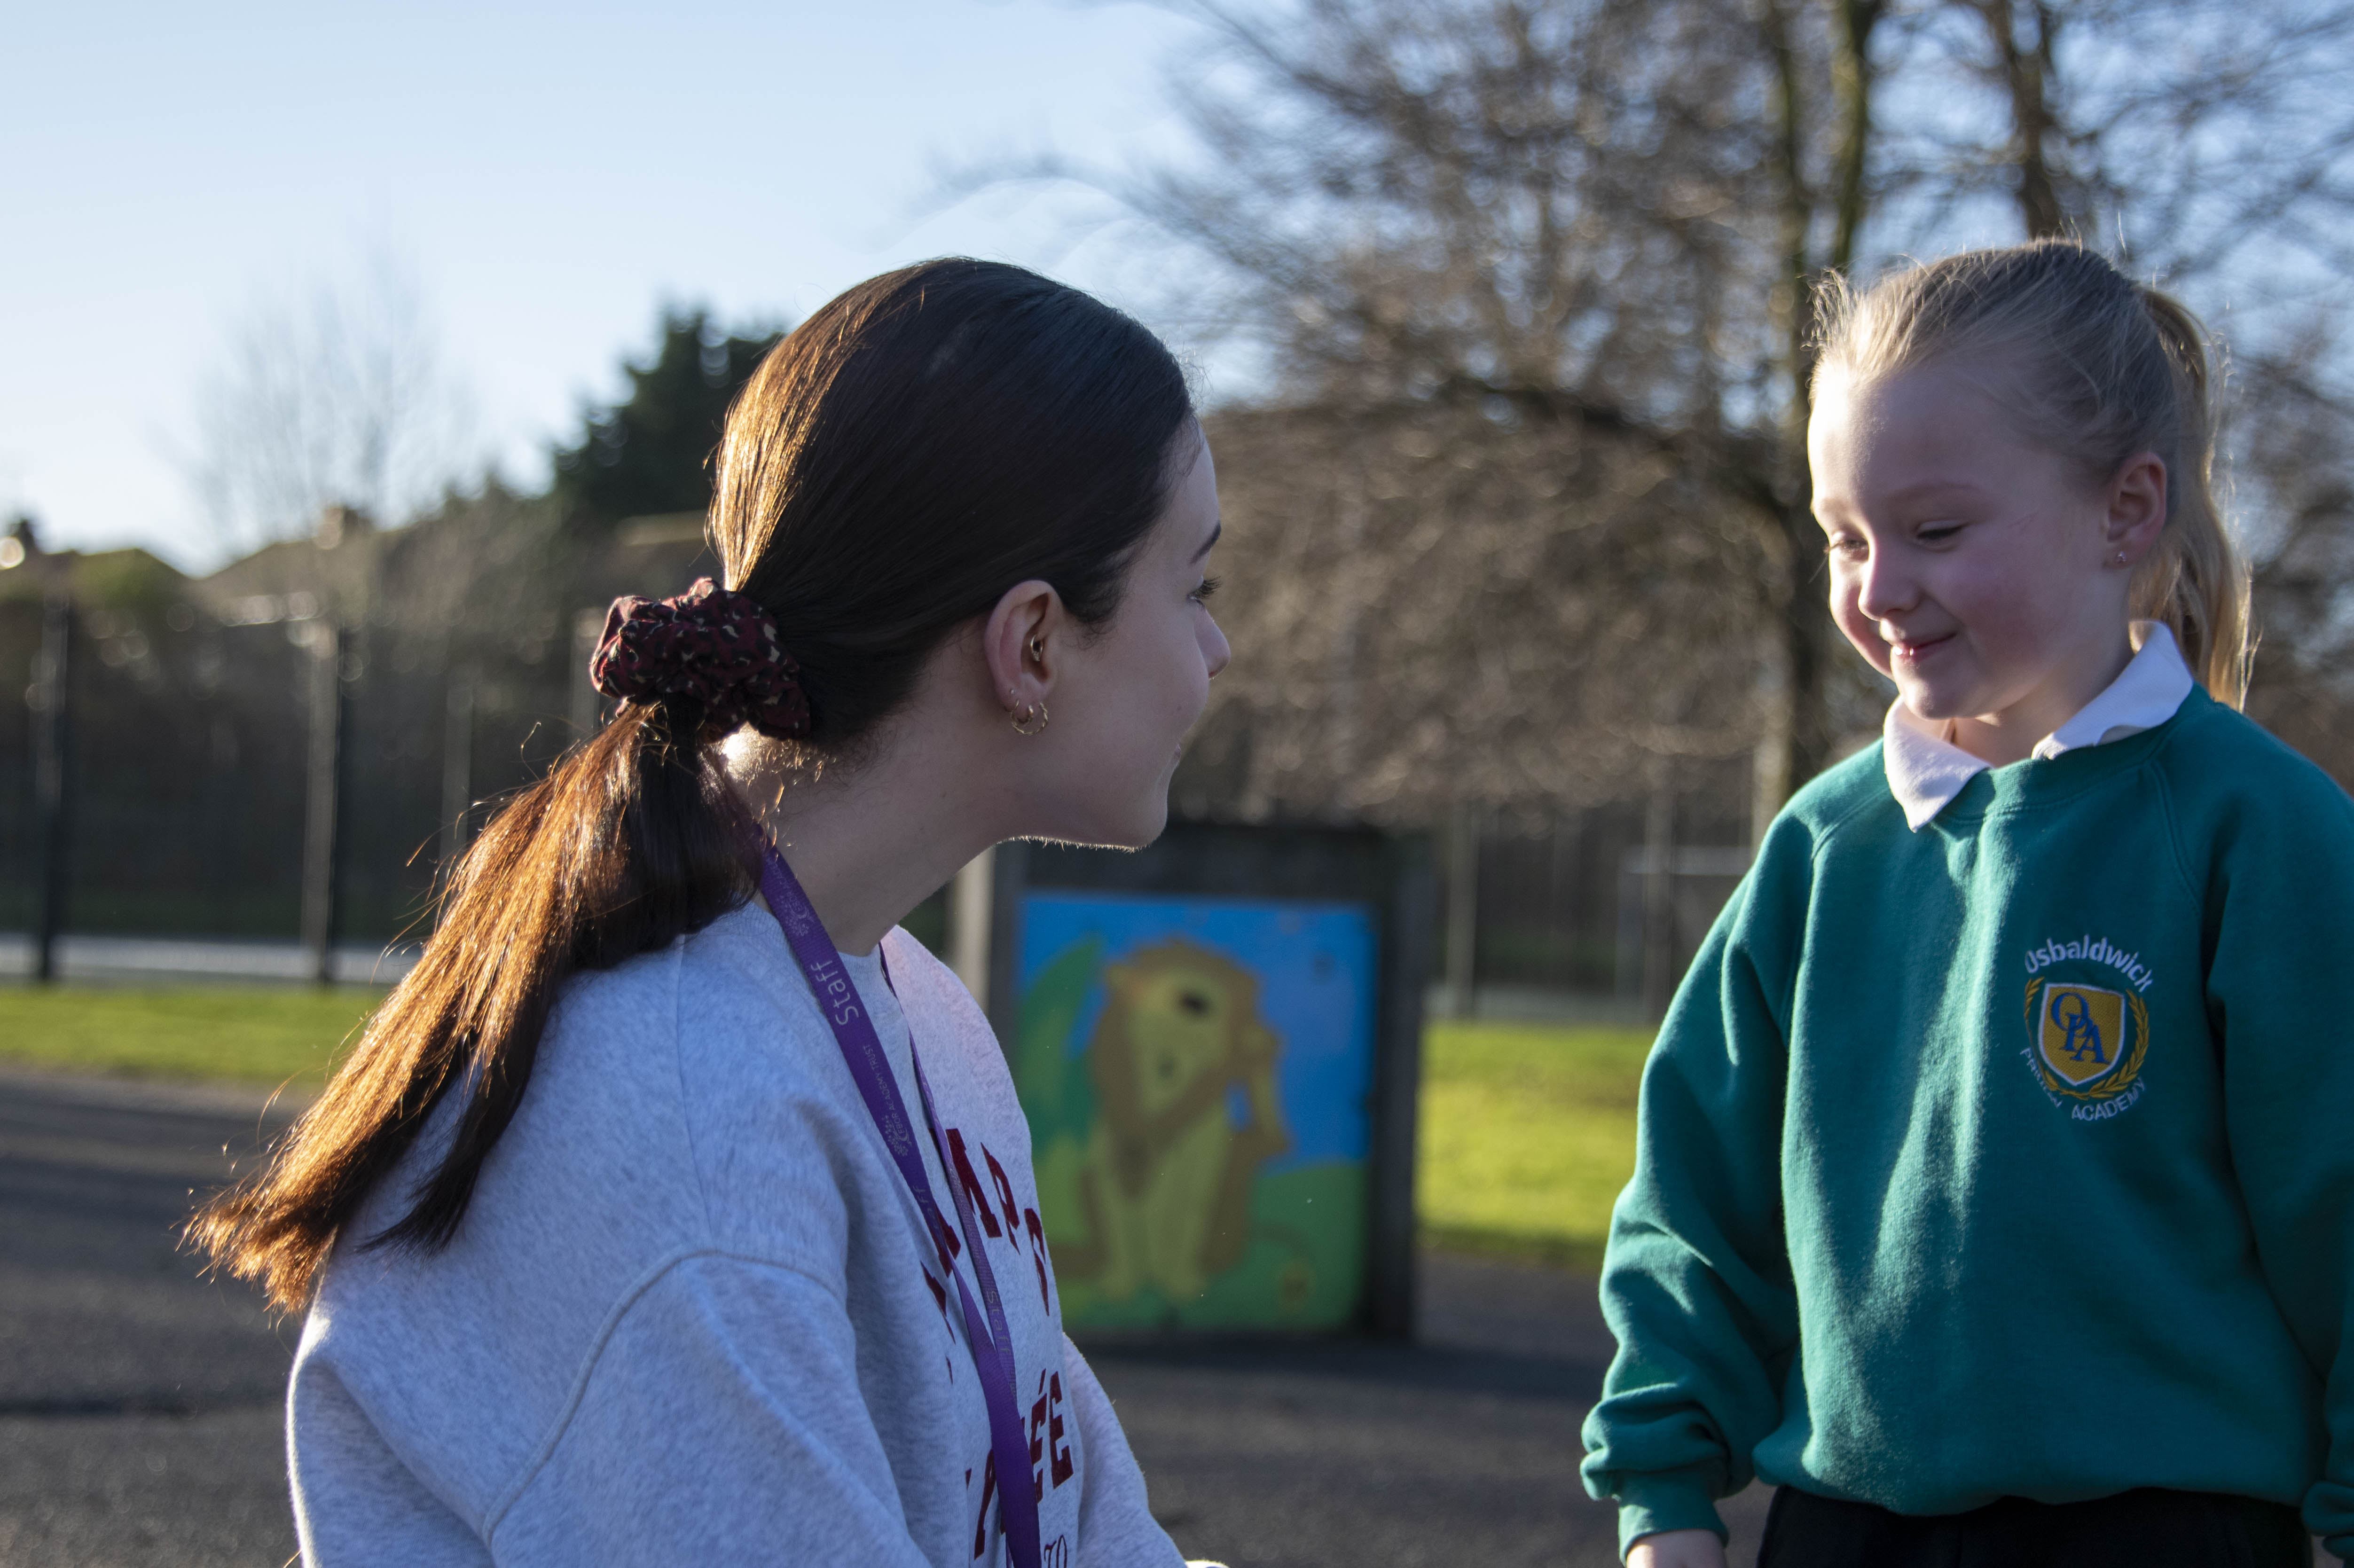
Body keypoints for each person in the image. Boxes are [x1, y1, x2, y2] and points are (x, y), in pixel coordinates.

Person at [192, 258, 1232, 1568]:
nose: (1216, 650)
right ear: (1031, 644)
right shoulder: (680, 1108)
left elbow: (1076, 1513)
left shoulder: (919, 1011)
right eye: (1194, 587)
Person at [1580, 239, 2354, 1567]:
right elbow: (1697, 1197)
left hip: (2171, 1535)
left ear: (2127, 510)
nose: (1879, 590)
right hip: (1841, 1532)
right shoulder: (1824, 847)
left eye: (1935, 531)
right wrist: (1662, 1494)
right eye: (1844, 537)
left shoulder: (2264, 834)